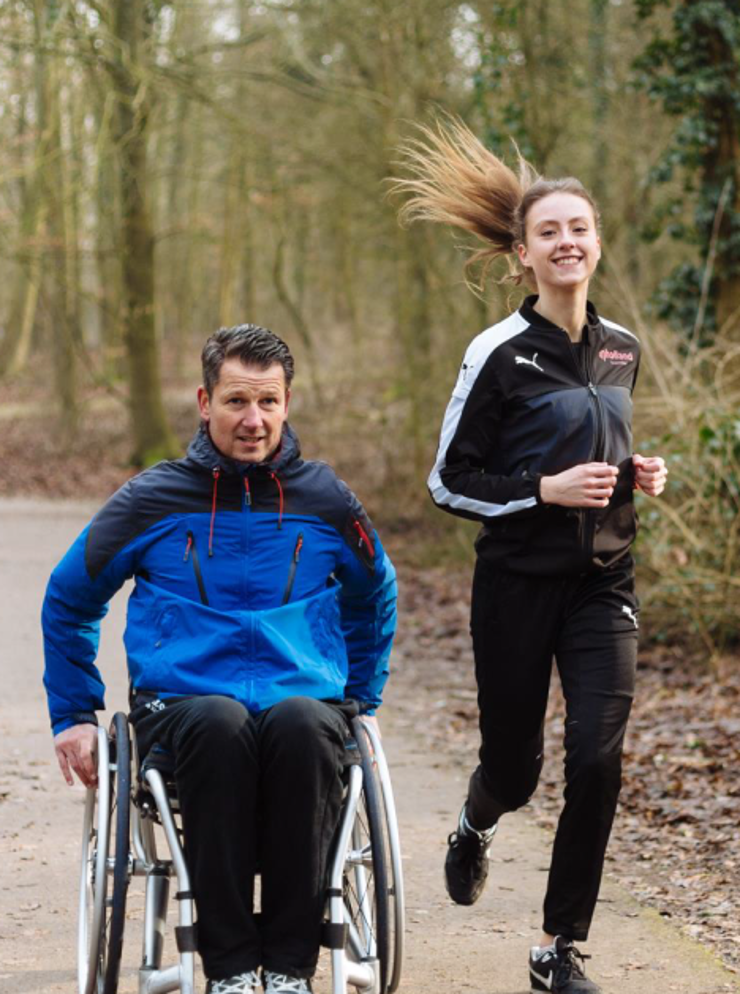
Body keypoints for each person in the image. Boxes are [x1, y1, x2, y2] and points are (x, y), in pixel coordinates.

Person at [393, 118, 668, 994]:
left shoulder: (623, 348)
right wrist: (541, 491)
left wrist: (636, 474)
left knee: (597, 755)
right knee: (516, 771)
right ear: (522, 253)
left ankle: (559, 947)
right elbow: (448, 480)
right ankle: (475, 824)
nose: (567, 242)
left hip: (603, 583)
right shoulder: (496, 355)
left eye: (578, 228)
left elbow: (604, 445)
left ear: (597, 242)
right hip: (514, 584)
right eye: (548, 231)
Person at [42, 325, 397, 994]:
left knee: (300, 727)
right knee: (218, 723)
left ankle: (290, 967)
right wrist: (75, 714)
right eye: (236, 401)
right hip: (183, 706)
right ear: (204, 403)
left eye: (268, 402)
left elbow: (374, 593)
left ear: (288, 402)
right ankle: (231, 968)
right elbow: (68, 598)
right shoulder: (150, 498)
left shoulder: (325, 500)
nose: (253, 420)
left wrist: (365, 696)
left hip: (304, 702)